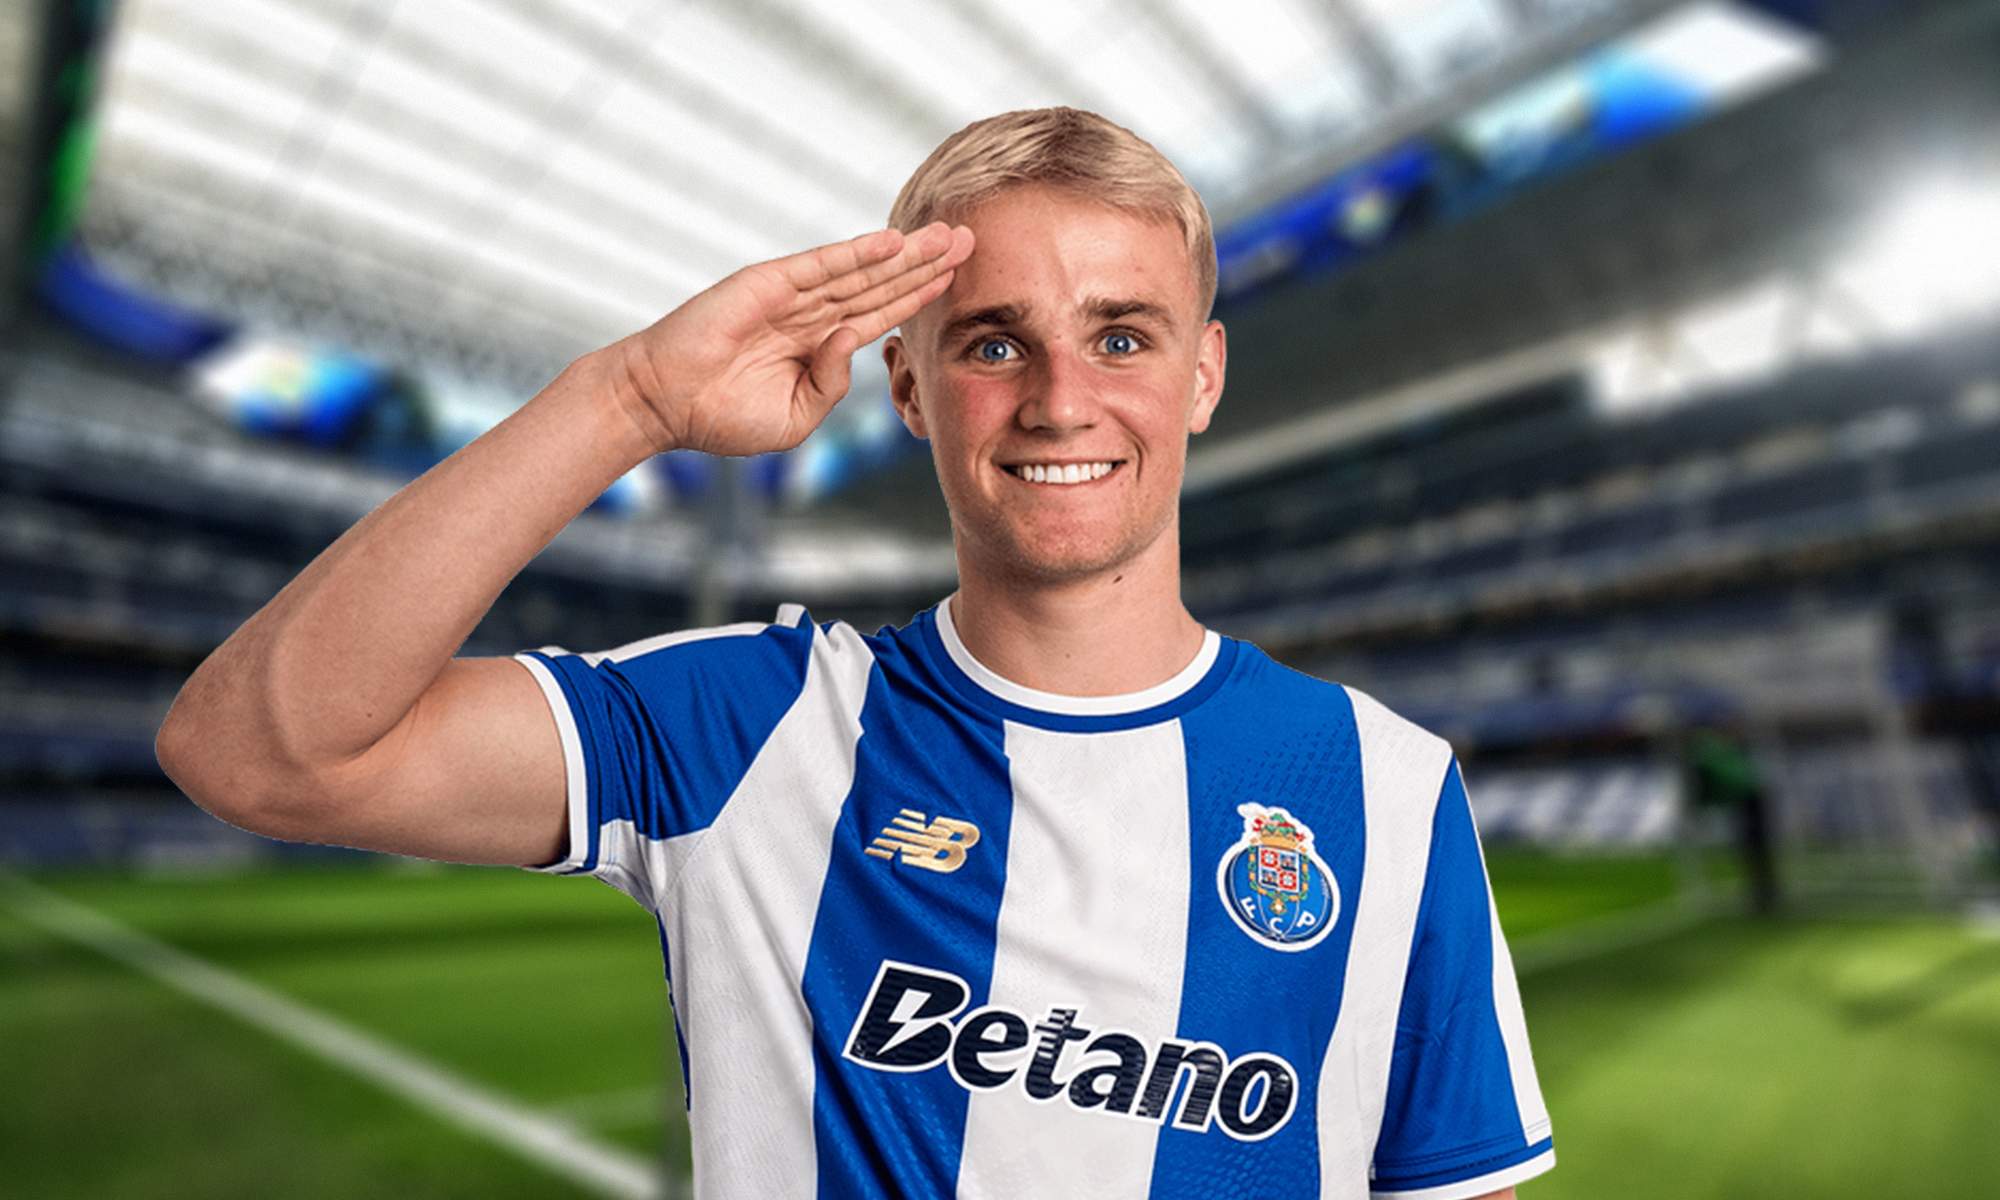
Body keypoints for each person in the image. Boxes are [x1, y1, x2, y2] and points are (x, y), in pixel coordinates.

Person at [157, 106, 1553, 1200]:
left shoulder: (1383, 785)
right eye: (994, 345)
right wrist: (629, 396)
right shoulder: (748, 723)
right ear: (905, 386)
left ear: (1202, 375)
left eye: (1121, 336)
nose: (1062, 401)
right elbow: (255, 750)